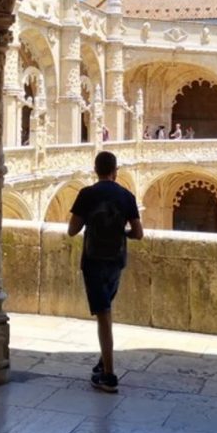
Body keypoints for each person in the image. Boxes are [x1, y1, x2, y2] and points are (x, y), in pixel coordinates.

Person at [67, 151, 143, 393]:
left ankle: (109, 376)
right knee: (105, 310)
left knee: (103, 315)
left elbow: (72, 230)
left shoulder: (87, 194)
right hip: (116, 260)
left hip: (93, 260)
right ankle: (103, 362)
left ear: (96, 170)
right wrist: (122, 233)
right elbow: (139, 233)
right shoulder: (127, 196)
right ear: (115, 171)